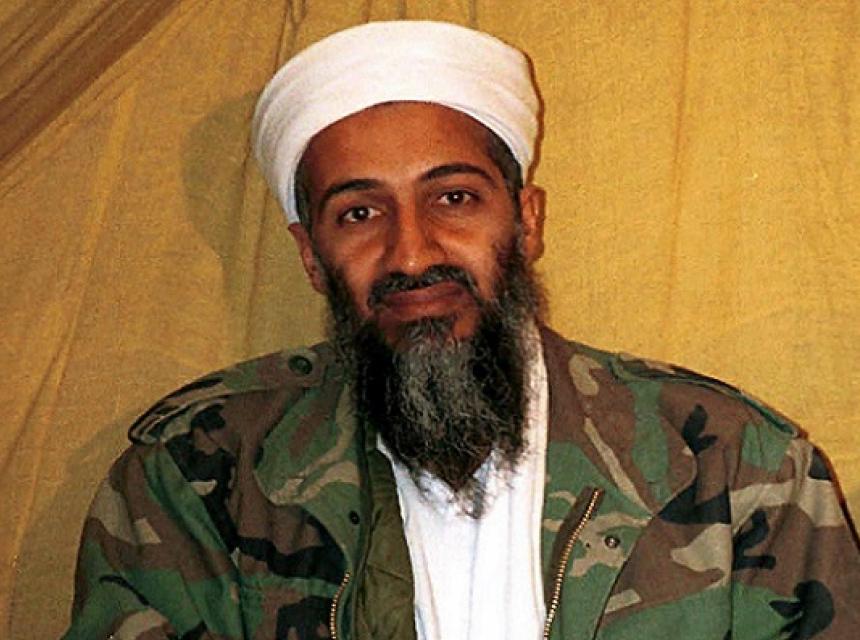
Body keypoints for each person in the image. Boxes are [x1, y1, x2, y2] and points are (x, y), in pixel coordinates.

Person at [63, 21, 859, 640]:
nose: (411, 253)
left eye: (454, 199)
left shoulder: (735, 467)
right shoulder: (198, 481)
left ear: (527, 221)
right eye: (360, 213)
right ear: (310, 255)